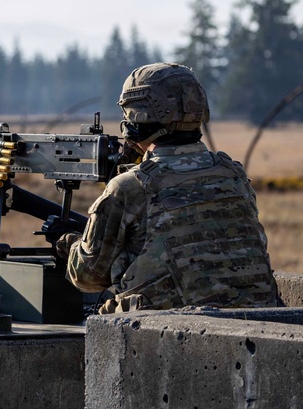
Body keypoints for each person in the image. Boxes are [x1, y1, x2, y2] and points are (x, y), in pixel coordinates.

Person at [55, 62, 279, 313]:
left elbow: (89, 276)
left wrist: (69, 242)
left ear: (134, 120)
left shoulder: (130, 188)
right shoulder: (232, 174)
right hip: (258, 318)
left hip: (171, 333)